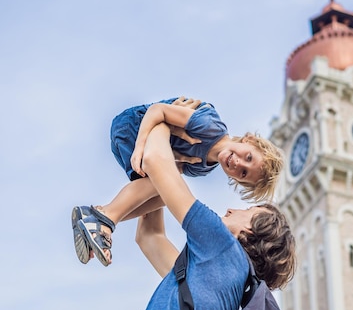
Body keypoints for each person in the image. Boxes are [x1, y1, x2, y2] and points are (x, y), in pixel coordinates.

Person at [111, 122, 296, 310]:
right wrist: (162, 170)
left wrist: (164, 123)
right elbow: (150, 237)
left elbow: (154, 159)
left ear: (250, 231)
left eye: (247, 211)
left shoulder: (221, 245)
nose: (232, 209)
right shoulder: (223, 285)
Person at [71, 96, 284, 267]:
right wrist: (140, 145)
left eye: (244, 173)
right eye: (248, 157)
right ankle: (104, 219)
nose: (238, 163)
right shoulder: (212, 127)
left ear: (237, 180)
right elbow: (157, 111)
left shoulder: (204, 167)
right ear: (249, 140)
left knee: (165, 194)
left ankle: (95, 218)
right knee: (162, 181)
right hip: (135, 126)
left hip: (145, 142)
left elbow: (173, 170)